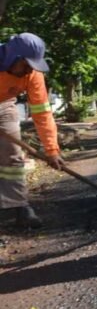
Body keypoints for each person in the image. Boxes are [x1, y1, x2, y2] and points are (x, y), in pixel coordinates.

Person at [0, 33, 65, 229]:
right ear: (14, 58)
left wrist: (52, 150)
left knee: (12, 157)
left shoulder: (33, 75)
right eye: (26, 64)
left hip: (4, 105)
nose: (30, 69)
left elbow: (42, 113)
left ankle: (19, 207)